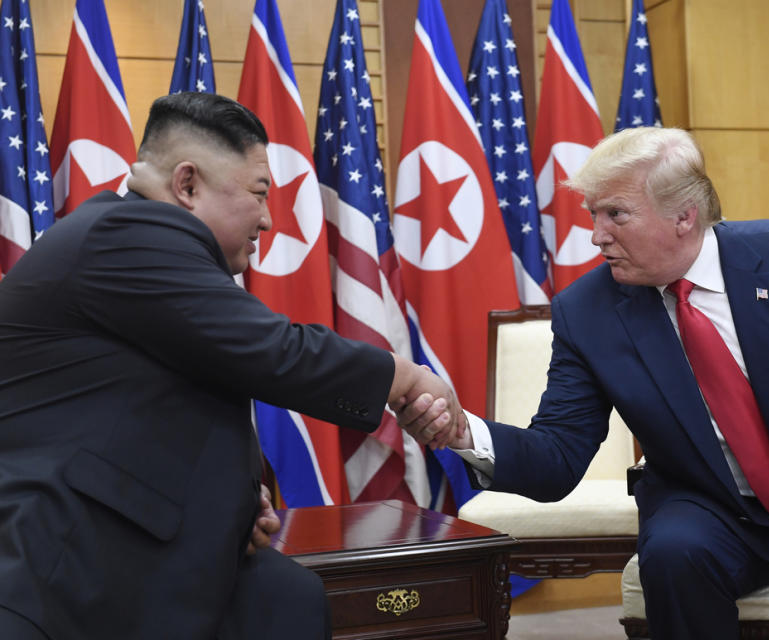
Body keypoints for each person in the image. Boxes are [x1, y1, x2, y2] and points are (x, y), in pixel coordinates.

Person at [400, 127, 769, 638]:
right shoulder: (587, 312)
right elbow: (558, 455)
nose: (596, 237)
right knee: (673, 555)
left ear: (684, 217)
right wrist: (462, 432)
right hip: (716, 507)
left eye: (615, 215)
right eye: (593, 214)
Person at [0, 92, 460, 640]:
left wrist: (233, 502)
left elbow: (149, 403)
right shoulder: (124, 235)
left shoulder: (133, 237)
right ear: (187, 185)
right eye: (258, 193)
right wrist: (404, 378)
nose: (268, 218)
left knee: (286, 597)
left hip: (148, 541)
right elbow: (272, 351)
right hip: (69, 558)